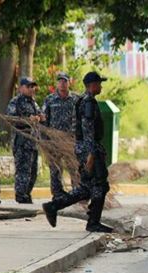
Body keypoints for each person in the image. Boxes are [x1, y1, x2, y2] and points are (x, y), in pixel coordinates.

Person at [42, 71, 112, 233]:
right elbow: (88, 131)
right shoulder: (87, 103)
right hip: (89, 149)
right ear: (92, 85)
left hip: (86, 148)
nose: (100, 86)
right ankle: (93, 222)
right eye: (99, 83)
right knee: (100, 185)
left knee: (87, 187)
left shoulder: (83, 100)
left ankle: (53, 206)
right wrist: (91, 156)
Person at [6, 77, 45, 204]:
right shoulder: (15, 102)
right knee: (23, 171)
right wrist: (28, 120)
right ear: (21, 87)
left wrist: (40, 117)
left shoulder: (33, 102)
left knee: (33, 173)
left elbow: (40, 115)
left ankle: (27, 194)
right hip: (21, 143)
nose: (31, 89)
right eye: (29, 86)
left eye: (33, 86)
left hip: (33, 143)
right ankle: (21, 196)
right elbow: (11, 119)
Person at [42, 72, 79, 199]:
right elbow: (44, 120)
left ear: (69, 82)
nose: (62, 83)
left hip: (71, 140)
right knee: (55, 168)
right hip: (54, 140)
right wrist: (45, 140)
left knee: (74, 167)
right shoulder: (49, 99)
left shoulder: (76, 99)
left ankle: (77, 191)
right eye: (60, 81)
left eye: (65, 81)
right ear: (57, 83)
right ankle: (57, 193)